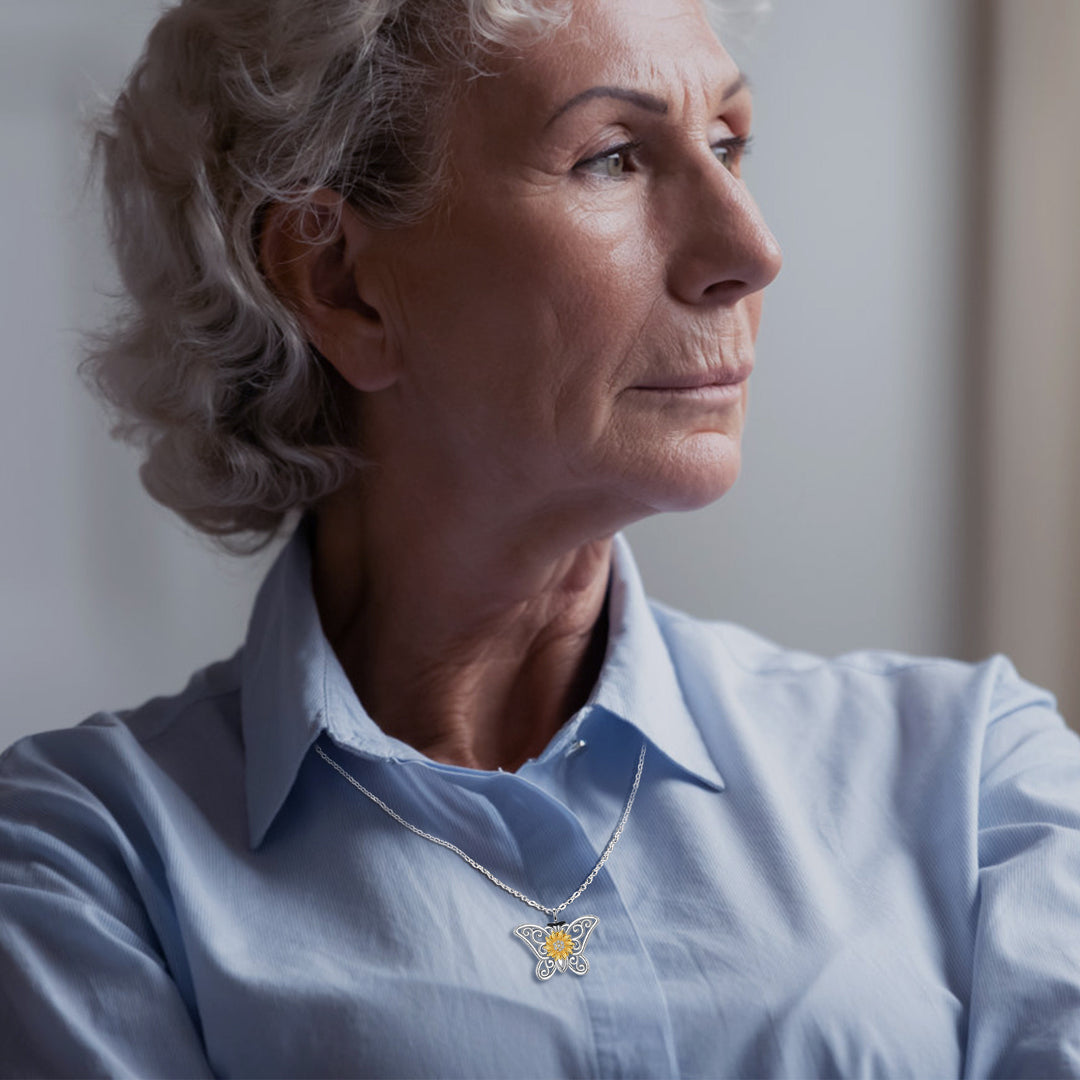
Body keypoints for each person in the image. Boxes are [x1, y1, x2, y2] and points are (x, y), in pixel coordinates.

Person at [2, 0, 1079, 1075]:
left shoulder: (976, 783)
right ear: (339, 285)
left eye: (727, 144)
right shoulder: (91, 868)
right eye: (613, 158)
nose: (750, 252)